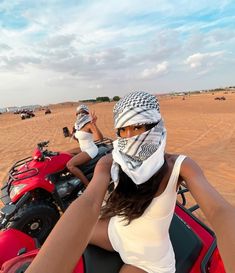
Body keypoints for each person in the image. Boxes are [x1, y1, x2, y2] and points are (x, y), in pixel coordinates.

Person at [25, 91, 235, 273]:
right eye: (123, 130)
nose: (129, 136)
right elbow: (88, 204)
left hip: (148, 259)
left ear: (156, 126)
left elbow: (219, 211)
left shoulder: (179, 166)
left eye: (138, 128)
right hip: (116, 233)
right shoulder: (112, 161)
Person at [66, 104, 103, 186]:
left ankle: (87, 185)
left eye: (83, 112)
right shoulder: (77, 125)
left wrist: (94, 124)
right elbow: (78, 140)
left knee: (70, 165)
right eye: (78, 112)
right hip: (83, 148)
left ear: (87, 113)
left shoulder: (89, 124)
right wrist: (69, 135)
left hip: (90, 149)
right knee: (65, 154)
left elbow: (100, 139)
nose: (80, 114)